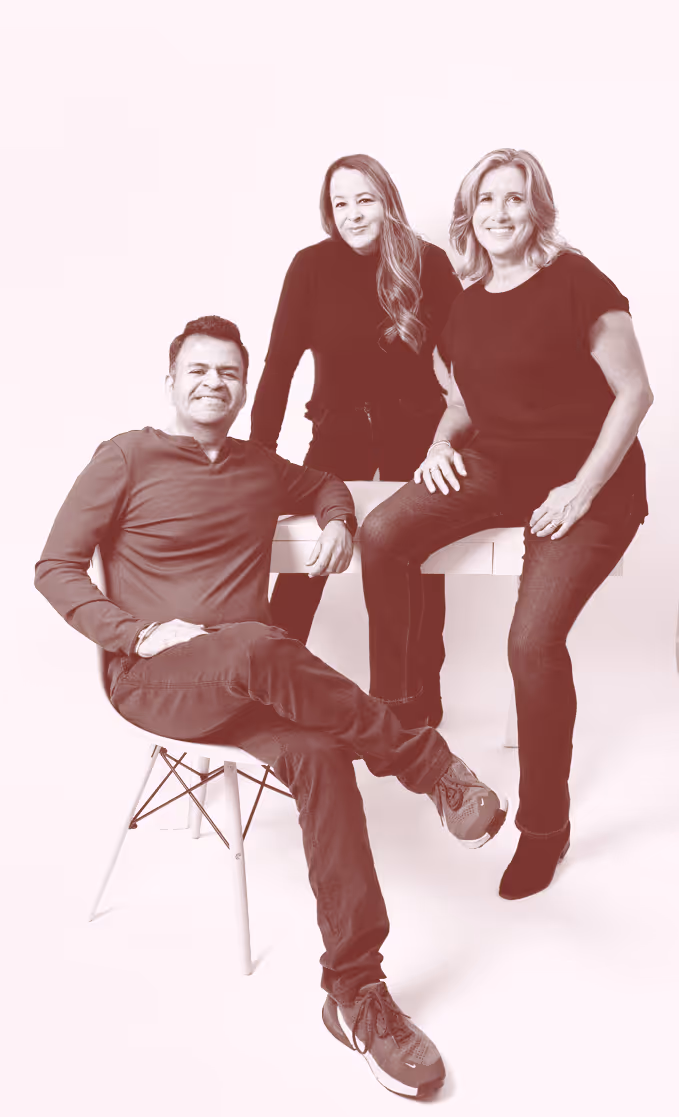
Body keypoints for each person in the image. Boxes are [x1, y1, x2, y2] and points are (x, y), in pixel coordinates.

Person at [35, 315, 508, 1100]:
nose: (213, 382)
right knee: (258, 640)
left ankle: (354, 992)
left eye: (228, 372)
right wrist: (138, 632)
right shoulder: (125, 456)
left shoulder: (260, 466)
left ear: (245, 386)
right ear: (172, 379)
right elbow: (54, 566)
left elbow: (323, 482)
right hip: (154, 680)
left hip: (251, 682)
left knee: (320, 752)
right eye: (198, 370)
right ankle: (430, 768)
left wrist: (336, 517)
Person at [359, 149, 653, 901]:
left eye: (513, 199)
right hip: (497, 466)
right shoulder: (464, 303)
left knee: (530, 641)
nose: (498, 212)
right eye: (484, 199)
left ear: (536, 210)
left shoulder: (576, 283)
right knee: (383, 534)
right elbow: (461, 399)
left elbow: (633, 394)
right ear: (468, 215)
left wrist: (582, 489)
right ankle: (402, 707)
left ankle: (544, 829)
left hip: (589, 481)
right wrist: (436, 445)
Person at [250, 154, 462, 728]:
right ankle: (266, 688)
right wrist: (258, 456)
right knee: (302, 567)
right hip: (337, 438)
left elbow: (467, 363)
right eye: (339, 203)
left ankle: (417, 707)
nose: (351, 214)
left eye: (363, 199)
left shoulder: (429, 264)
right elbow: (278, 367)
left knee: (418, 572)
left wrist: (460, 440)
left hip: (418, 444)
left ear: (387, 200)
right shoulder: (310, 268)